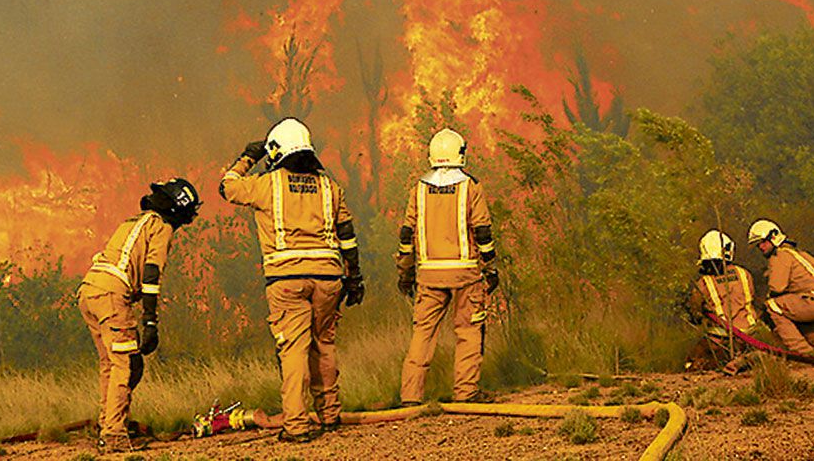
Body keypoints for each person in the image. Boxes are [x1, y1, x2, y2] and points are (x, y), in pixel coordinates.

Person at [220, 118, 364, 443]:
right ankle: (330, 415)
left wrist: (247, 157)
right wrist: (354, 277)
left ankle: (297, 426)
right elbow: (348, 235)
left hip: (287, 280)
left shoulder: (266, 184)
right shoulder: (330, 187)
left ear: (276, 151)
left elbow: (226, 187)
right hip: (329, 277)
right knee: (324, 344)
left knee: (294, 350)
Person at [78, 178, 201, 453]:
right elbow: (151, 273)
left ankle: (108, 423)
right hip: (111, 294)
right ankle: (114, 435)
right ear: (178, 209)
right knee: (127, 365)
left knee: (111, 364)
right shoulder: (162, 227)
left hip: (89, 290)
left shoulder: (132, 222)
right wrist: (150, 321)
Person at [396, 128, 499, 405]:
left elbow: (406, 236)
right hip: (466, 274)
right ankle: (466, 392)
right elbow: (483, 232)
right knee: (468, 331)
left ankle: (410, 396)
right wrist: (490, 269)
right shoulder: (470, 187)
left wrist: (405, 273)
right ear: (460, 154)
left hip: (429, 275)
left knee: (423, 333)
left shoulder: (418, 189)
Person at [747, 219, 814, 354]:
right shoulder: (797, 253)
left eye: (763, 242)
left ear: (773, 237)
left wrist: (763, 309)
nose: (761, 247)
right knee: (792, 308)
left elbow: (777, 288)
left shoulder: (780, 255)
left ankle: (802, 351)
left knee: (773, 306)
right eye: (758, 245)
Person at [686, 229, 758, 374]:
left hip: (720, 337)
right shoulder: (744, 273)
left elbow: (695, 311)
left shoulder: (704, 283)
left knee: (693, 361)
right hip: (750, 334)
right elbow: (751, 297)